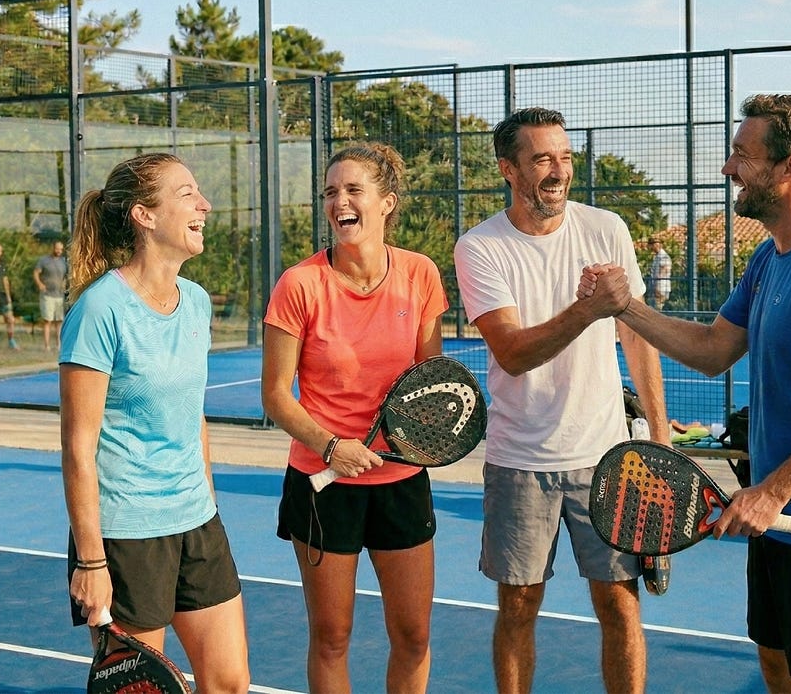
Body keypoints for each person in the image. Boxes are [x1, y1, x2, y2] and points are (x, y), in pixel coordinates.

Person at [583, 94, 791, 693]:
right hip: (774, 517)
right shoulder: (770, 258)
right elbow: (712, 349)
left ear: (788, 169)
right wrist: (624, 308)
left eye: (741, 155)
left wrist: (772, 493)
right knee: (775, 663)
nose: (728, 168)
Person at [453, 107, 668, 694]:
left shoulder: (607, 229)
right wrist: (589, 307)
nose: (558, 171)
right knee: (519, 606)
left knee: (620, 606)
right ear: (509, 169)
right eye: (542, 159)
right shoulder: (479, 248)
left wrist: (660, 437)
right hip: (520, 460)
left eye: (566, 157)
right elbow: (514, 352)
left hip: (607, 458)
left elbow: (638, 336)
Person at [59, 152, 250, 694]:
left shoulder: (197, 303)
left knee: (231, 684)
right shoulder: (99, 310)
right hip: (127, 533)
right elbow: (78, 447)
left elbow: (194, 417)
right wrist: (92, 561)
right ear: (144, 215)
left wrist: (206, 501)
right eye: (187, 193)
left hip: (197, 521)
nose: (204, 204)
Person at [261, 142, 448, 694]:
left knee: (413, 635)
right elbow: (276, 395)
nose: (338, 201)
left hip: (402, 480)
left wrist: (427, 435)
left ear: (386, 203)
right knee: (332, 636)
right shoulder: (300, 285)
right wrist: (331, 446)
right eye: (330, 192)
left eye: (352, 190)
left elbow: (429, 384)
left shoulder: (420, 275)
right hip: (324, 484)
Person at [34, 239, 68, 352]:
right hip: (47, 294)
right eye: (57, 248)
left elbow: (67, 275)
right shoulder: (44, 260)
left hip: (59, 295)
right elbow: (36, 273)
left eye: (60, 249)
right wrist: (39, 284)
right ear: (52, 248)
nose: (58, 251)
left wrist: (65, 283)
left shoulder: (64, 261)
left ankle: (58, 345)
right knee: (47, 320)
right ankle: (47, 345)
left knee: (59, 321)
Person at [645, 238, 672, 309]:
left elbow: (663, 272)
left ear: (656, 245)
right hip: (657, 288)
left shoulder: (664, 257)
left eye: (651, 245)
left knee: (657, 309)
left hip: (661, 288)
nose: (650, 247)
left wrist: (656, 286)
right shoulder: (657, 257)